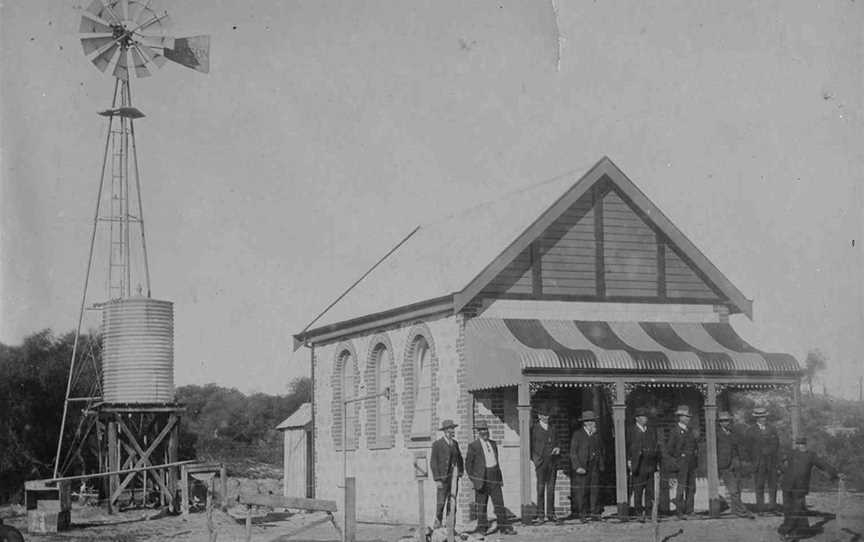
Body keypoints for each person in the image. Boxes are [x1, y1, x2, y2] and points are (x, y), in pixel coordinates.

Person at [777, 436, 840, 540]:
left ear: (805, 444)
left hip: (800, 487)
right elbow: (779, 462)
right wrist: (784, 470)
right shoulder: (791, 453)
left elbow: (823, 465)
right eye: (799, 444)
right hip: (787, 485)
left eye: (802, 444)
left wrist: (835, 474)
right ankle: (800, 530)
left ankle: (787, 531)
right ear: (797, 444)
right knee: (789, 509)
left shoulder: (811, 455)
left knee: (796, 509)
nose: (800, 446)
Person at [465, 420, 516, 535]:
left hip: (494, 477)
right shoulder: (473, 446)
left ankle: (504, 527)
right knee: (482, 505)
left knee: (499, 503)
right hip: (482, 478)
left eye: (486, 429)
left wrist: (500, 478)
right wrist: (475, 480)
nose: (485, 432)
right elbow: (468, 465)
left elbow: (496, 463)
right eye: (482, 430)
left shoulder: (492, 443)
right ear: (478, 432)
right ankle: (482, 528)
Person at [716, 411, 754, 518]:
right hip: (724, 465)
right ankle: (742, 511)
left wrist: (739, 461)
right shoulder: (716, 434)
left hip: (735, 464)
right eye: (722, 421)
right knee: (733, 490)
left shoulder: (733, 433)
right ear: (719, 422)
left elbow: (738, 448)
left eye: (727, 420)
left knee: (737, 488)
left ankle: (736, 510)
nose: (725, 423)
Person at [569, 410, 604, 521]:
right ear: (584, 423)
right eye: (588, 421)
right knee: (582, 491)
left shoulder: (596, 434)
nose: (590, 423)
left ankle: (594, 513)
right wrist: (577, 466)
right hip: (583, 466)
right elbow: (573, 452)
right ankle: (582, 514)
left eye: (592, 421)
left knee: (595, 490)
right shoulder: (577, 434)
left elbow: (602, 450)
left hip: (595, 466)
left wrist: (601, 464)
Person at [664, 405, 698, 519]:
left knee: (691, 487)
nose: (688, 418)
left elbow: (695, 447)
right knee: (681, 487)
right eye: (686, 416)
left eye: (689, 416)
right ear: (680, 417)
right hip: (681, 464)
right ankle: (679, 511)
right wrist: (677, 462)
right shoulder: (675, 431)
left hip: (691, 463)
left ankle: (689, 510)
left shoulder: (691, 431)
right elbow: (670, 449)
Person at [429, 419, 464, 528]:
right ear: (445, 431)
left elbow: (460, 459)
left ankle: (450, 526)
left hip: (453, 479)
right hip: (442, 479)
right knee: (441, 502)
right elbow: (433, 462)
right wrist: (437, 479)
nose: (452, 431)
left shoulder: (455, 443)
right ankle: (437, 523)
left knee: (452, 502)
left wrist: (460, 472)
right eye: (450, 429)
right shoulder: (437, 444)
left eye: (453, 429)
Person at [627, 407, 660, 521]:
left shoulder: (650, 431)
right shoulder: (631, 431)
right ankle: (638, 512)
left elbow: (656, 446)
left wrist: (656, 461)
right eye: (642, 417)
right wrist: (629, 461)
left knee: (650, 490)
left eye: (646, 417)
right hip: (638, 464)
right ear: (637, 418)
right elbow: (627, 447)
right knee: (638, 490)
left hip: (650, 464)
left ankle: (650, 512)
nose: (645, 419)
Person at [747, 407, 779, 514]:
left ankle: (772, 508)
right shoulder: (751, 430)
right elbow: (748, 448)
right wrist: (753, 461)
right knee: (759, 486)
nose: (763, 419)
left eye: (764, 416)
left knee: (773, 486)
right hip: (758, 463)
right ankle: (760, 509)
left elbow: (776, 445)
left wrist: (769, 451)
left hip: (771, 462)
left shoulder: (772, 429)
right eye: (760, 417)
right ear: (756, 418)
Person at [531, 408, 560, 523]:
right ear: (539, 416)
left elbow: (558, 442)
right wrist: (536, 460)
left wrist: (558, 448)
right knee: (541, 488)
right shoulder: (534, 428)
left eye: (548, 415)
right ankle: (540, 515)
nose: (546, 417)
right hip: (541, 463)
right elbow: (530, 446)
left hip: (552, 462)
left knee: (551, 488)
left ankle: (551, 514)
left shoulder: (553, 428)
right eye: (543, 415)